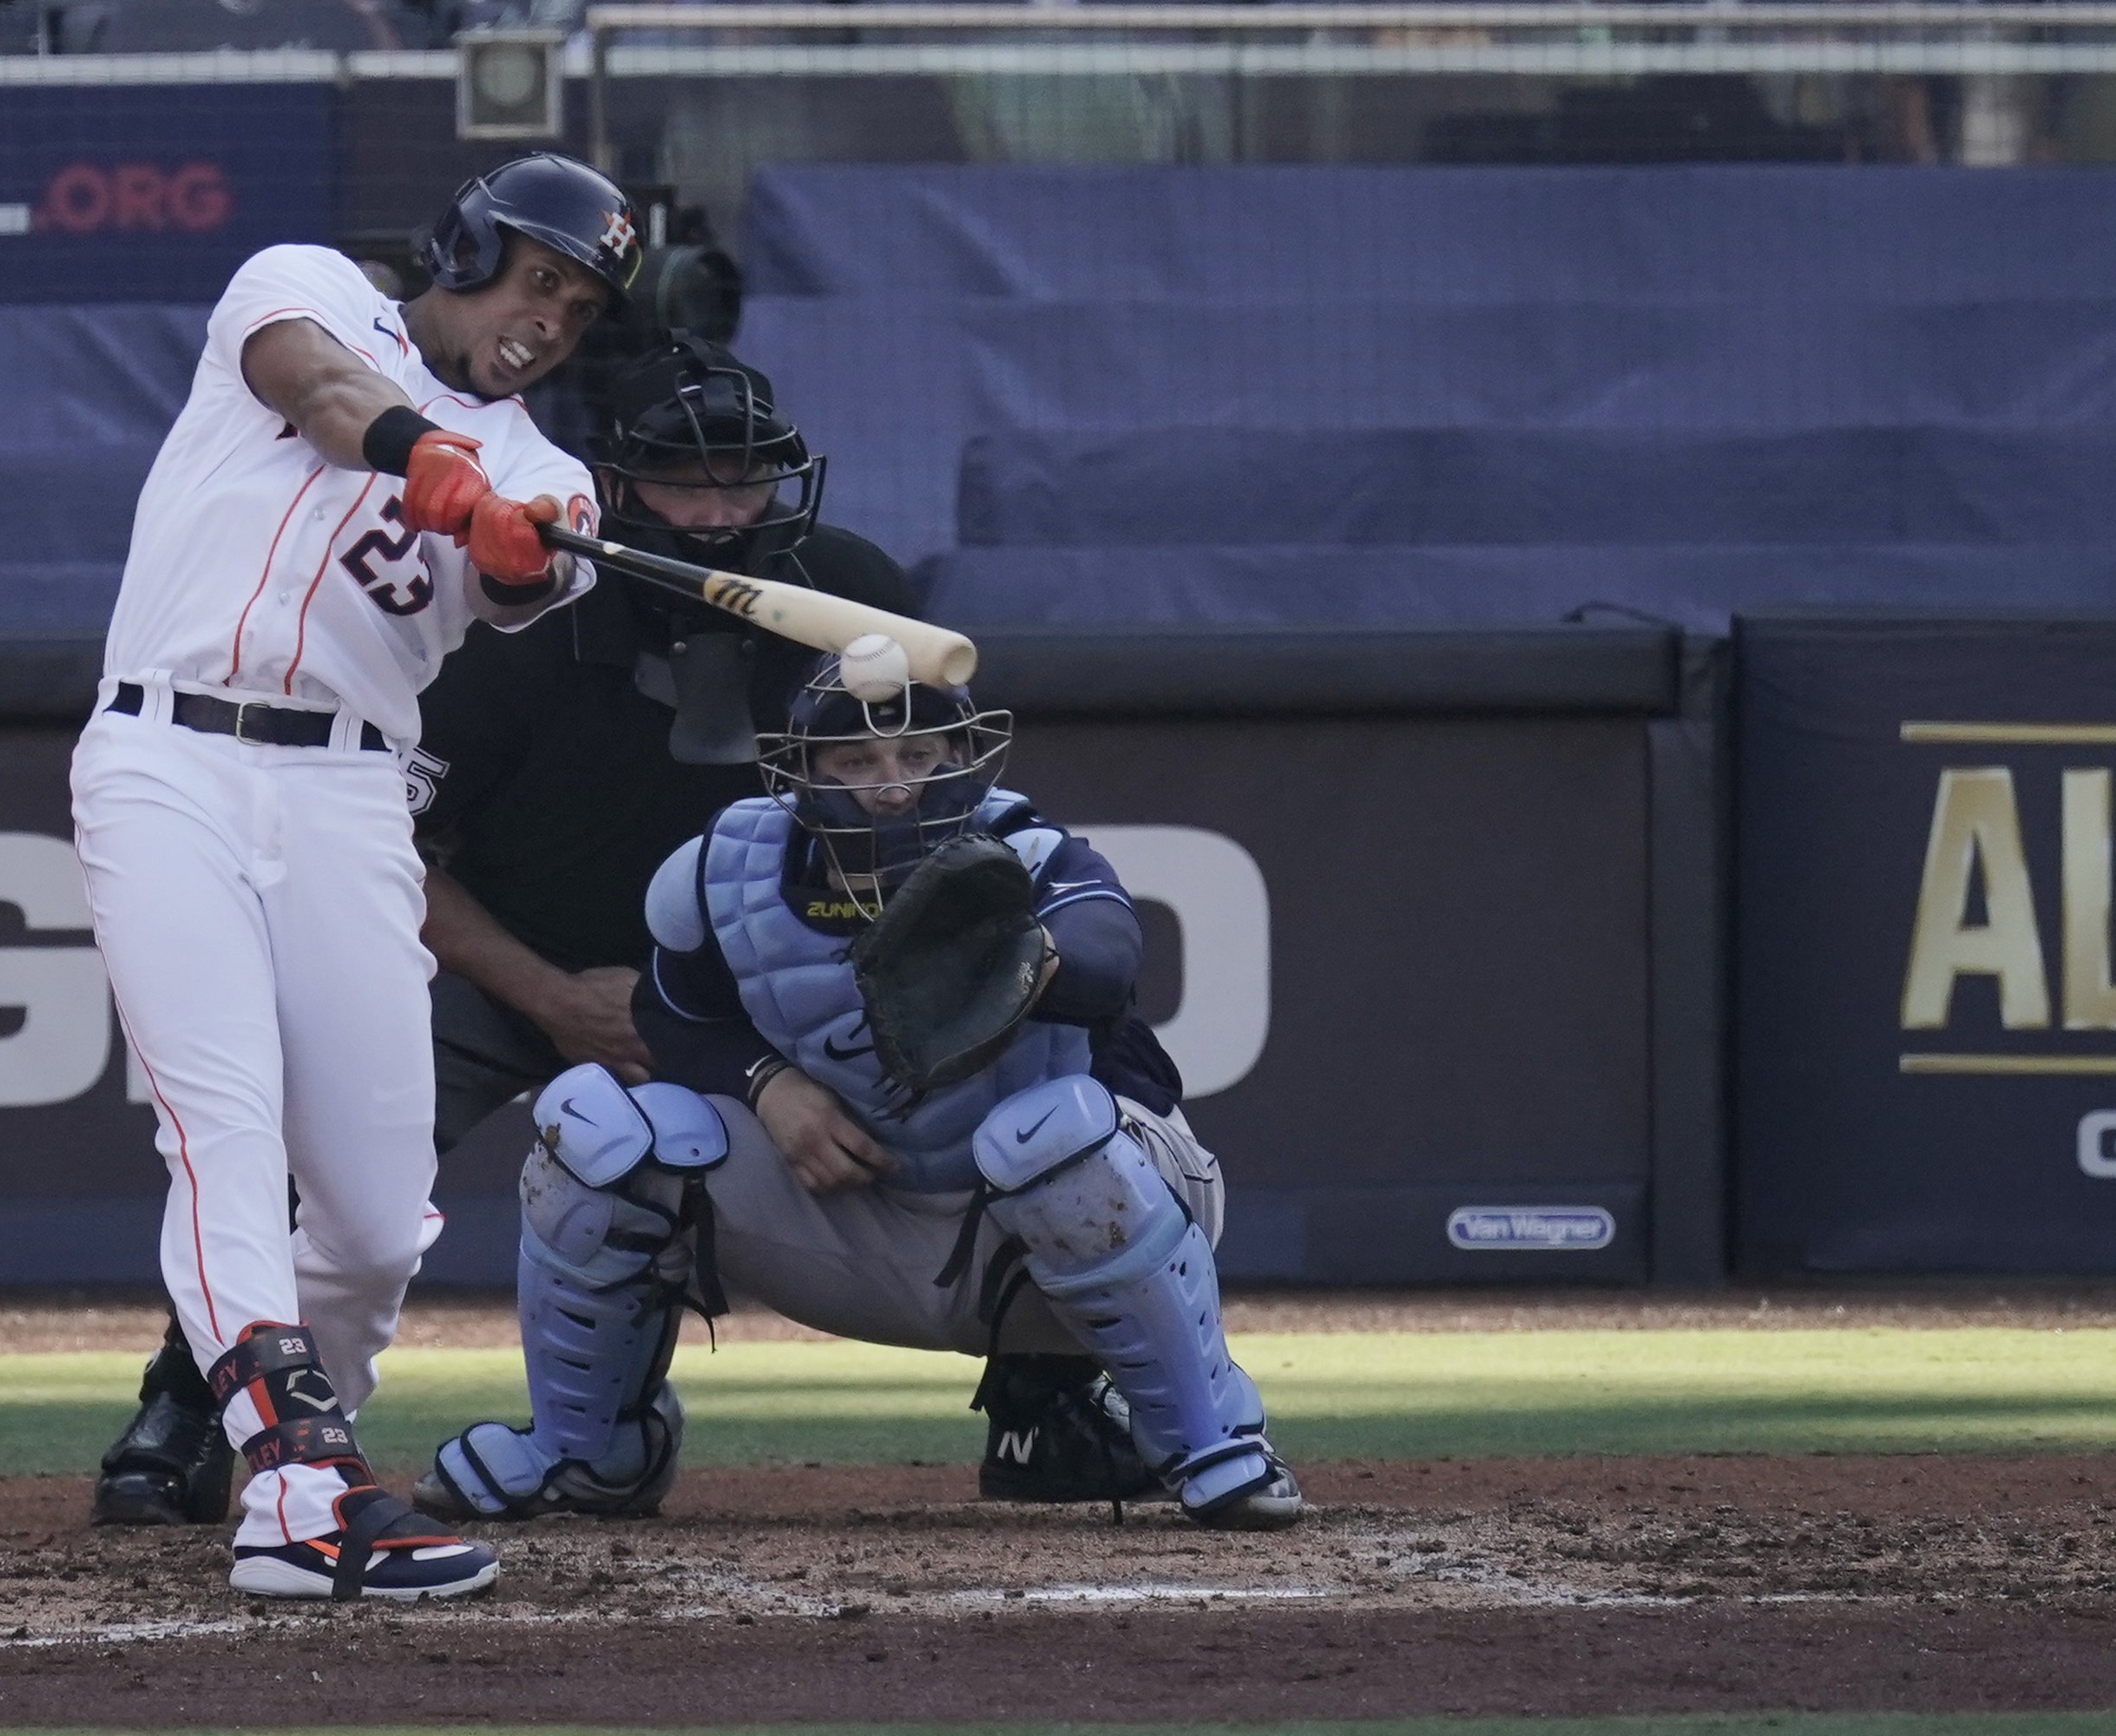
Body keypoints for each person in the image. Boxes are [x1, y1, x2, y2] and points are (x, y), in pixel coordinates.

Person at [94, 337, 1157, 1531]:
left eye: (742, 480)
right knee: (326, 1143)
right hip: (508, 962)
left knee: (1008, 1054)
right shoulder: (521, 605)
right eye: (681, 485)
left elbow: (930, 813)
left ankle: (1042, 1403)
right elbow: (398, 854)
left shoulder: (847, 591)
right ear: (616, 483)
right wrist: (552, 998)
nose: (715, 513)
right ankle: (188, 1409)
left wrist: (775, 1033)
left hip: (755, 973)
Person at [70, 151, 640, 1602]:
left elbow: (524, 581)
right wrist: (425, 462)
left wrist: (517, 547)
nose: (546, 320)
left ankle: (293, 1429)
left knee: (379, 1221)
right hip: (168, 755)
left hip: (345, 789)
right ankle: (301, 1488)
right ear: (467, 246)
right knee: (220, 1127)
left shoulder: (550, 473)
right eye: (537, 278)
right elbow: (313, 386)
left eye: (575, 309)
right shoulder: (309, 283)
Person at [415, 660, 1304, 1531]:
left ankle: (1202, 1434)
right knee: (594, 1123)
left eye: (920, 756)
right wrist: (767, 1084)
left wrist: (1018, 962)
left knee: (1050, 1134)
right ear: (799, 773)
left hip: (1049, 1236)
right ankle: (589, 1449)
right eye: (858, 762)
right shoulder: (724, 870)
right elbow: (673, 1015)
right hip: (853, 1215)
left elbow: (1108, 957)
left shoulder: (1030, 852)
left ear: (965, 754)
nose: (894, 787)